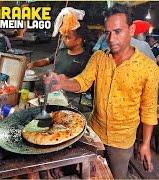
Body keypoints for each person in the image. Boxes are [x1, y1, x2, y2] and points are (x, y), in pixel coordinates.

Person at [45, 3, 159, 178]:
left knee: (115, 176)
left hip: (122, 141)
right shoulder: (99, 58)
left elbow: (149, 109)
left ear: (132, 29)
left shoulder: (149, 68)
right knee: (89, 173)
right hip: (94, 132)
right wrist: (63, 83)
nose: (111, 39)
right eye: (107, 32)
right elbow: (82, 82)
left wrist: (144, 144)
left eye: (118, 31)